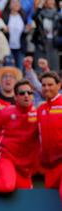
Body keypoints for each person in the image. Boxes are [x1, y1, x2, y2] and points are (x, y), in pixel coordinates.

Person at [36, 71, 62, 201]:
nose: (47, 88)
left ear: (59, 85)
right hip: (50, 166)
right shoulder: (41, 109)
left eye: (50, 85)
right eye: (44, 85)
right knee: (51, 203)